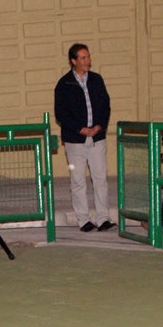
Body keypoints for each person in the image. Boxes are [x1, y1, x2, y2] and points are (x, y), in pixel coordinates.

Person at [54, 43, 113, 232]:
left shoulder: (96, 80)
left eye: (88, 57)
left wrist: (99, 126)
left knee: (100, 178)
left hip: (97, 138)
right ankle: (83, 219)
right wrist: (79, 129)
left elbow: (105, 106)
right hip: (75, 141)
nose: (88, 61)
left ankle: (103, 218)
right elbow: (61, 113)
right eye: (83, 58)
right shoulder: (64, 84)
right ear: (74, 61)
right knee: (78, 180)